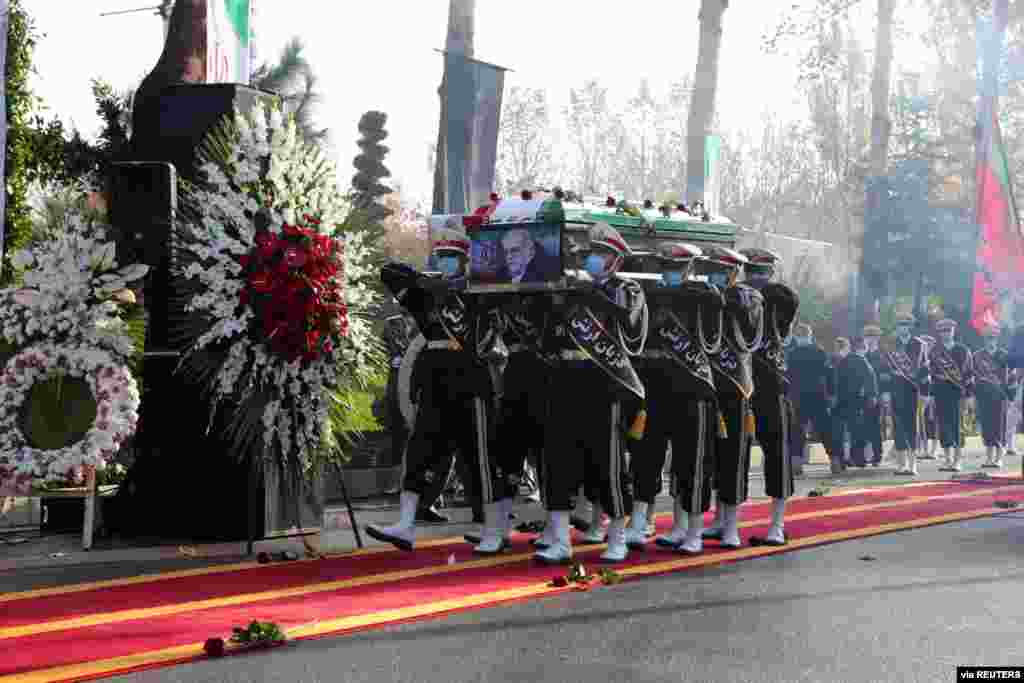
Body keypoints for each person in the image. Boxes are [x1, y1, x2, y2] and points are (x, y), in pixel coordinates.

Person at [367, 226, 506, 552]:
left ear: (465, 261)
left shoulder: (479, 292)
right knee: (420, 450)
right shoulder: (427, 293)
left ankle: (493, 529)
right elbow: (388, 273)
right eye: (441, 256)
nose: (445, 262)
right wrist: (423, 280)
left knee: (480, 457)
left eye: (451, 257)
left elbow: (490, 331)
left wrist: (458, 287)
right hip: (435, 380)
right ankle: (405, 524)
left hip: (471, 380)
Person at [534, 222, 647, 564]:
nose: (593, 259)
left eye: (601, 253)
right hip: (565, 380)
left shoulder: (627, 289)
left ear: (616, 259)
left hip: (604, 384)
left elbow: (630, 327)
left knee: (608, 464)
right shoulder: (570, 288)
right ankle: (560, 541)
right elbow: (548, 335)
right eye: (591, 253)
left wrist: (592, 295)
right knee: (557, 460)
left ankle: (618, 538)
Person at [627, 243, 721, 555]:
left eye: (677, 267)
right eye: (666, 266)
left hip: (692, 390)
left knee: (692, 464)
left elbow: (711, 342)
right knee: (645, 458)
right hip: (655, 389)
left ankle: (693, 530)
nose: (671, 272)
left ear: (690, 269)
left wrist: (711, 301)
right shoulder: (648, 295)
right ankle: (638, 522)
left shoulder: (703, 298)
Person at [700, 247, 761, 549]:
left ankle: (732, 526)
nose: (716, 275)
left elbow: (751, 338)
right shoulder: (706, 295)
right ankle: (717, 519)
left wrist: (733, 305)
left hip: (735, 386)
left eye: (722, 270)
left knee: (734, 459)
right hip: (707, 383)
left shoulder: (748, 298)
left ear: (734, 272)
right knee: (710, 456)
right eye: (712, 269)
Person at [739, 247, 800, 547]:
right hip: (739, 382)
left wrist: (759, 292)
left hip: (769, 384)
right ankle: (725, 521)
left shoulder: (777, 298)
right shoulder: (735, 296)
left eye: (761, 273)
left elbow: (789, 302)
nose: (756, 278)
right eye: (752, 272)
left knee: (777, 454)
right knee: (730, 454)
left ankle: (777, 525)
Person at [882, 314, 930, 476]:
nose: (903, 327)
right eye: (900, 324)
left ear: (911, 326)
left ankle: (913, 464)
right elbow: (885, 371)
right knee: (898, 427)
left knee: (912, 427)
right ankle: (901, 465)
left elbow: (925, 370)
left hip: (913, 391)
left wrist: (925, 393)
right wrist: (885, 391)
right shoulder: (890, 344)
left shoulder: (920, 345)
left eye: (906, 324)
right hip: (896, 390)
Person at [786, 323, 832, 477]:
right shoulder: (820, 352)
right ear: (810, 335)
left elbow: (786, 376)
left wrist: (787, 394)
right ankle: (835, 460)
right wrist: (831, 394)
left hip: (798, 396)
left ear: (795, 337)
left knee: (797, 430)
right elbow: (829, 374)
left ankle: (796, 463)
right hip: (818, 395)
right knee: (825, 429)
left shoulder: (791, 354)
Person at [930, 319, 974, 472]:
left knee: (957, 426)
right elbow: (931, 374)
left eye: (948, 330)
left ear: (954, 331)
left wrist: (969, 395)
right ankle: (947, 459)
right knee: (943, 426)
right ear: (939, 333)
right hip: (940, 393)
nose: (946, 333)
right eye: (943, 331)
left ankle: (957, 460)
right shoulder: (934, 351)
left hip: (958, 394)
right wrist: (931, 395)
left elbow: (969, 374)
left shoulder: (963, 350)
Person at [836, 337, 879, 468]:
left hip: (845, 400)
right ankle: (858, 458)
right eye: (864, 345)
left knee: (848, 431)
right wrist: (872, 395)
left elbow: (838, 381)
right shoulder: (860, 360)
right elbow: (869, 379)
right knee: (858, 431)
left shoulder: (845, 360)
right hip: (858, 400)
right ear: (861, 347)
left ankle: (847, 459)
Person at [973, 326, 1010, 469]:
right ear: (984, 340)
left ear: (997, 339)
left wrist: (1009, 396)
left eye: (993, 338)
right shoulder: (977, 356)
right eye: (988, 338)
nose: (990, 341)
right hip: (983, 396)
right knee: (987, 427)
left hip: (1000, 396)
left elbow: (1010, 377)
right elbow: (974, 377)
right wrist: (974, 396)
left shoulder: (1003, 355)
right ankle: (989, 458)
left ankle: (999, 458)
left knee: (999, 426)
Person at [827, 337, 852, 472]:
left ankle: (842, 459)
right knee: (841, 432)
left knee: (840, 432)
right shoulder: (838, 360)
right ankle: (842, 459)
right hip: (840, 400)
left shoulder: (835, 360)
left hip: (840, 399)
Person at [863, 325, 887, 466]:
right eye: (867, 336)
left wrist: (885, 393)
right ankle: (864, 455)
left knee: (875, 426)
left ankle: (877, 455)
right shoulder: (861, 354)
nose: (870, 339)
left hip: (877, 396)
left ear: (878, 338)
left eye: (873, 336)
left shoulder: (882, 356)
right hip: (862, 396)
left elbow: (885, 376)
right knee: (862, 425)